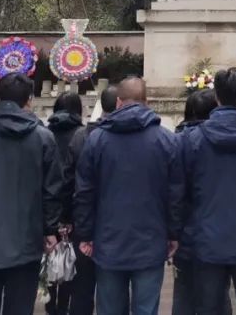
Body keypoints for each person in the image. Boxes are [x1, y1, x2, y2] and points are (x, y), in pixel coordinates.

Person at [0, 71, 63, 315]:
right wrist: (50, 229)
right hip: (26, 241)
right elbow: (52, 190)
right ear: (29, 99)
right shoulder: (43, 138)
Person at [74, 77, 182, 315]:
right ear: (147, 102)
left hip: (108, 239)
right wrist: (173, 233)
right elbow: (175, 194)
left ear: (119, 101)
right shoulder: (166, 140)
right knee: (146, 309)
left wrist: (85, 233)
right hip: (151, 240)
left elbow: (84, 191)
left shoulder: (97, 140)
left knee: (110, 308)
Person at [182, 68, 236, 315]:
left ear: (217, 97)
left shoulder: (192, 140)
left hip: (206, 235)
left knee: (208, 307)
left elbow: (182, 190)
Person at [173, 89, 227, 315]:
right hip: (219, 230)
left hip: (187, 231)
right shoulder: (223, 141)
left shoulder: (177, 142)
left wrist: (172, 232)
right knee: (219, 293)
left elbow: (174, 192)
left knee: (184, 289)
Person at [66, 84, 118, 315]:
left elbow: (69, 183)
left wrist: (66, 219)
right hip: (114, 223)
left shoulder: (82, 136)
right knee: (114, 289)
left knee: (83, 285)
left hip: (83, 220)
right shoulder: (121, 136)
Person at [47, 92, 85, 315]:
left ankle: (51, 302)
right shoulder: (81, 136)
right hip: (72, 206)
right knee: (70, 258)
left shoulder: (45, 133)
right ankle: (66, 304)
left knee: (51, 254)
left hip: (49, 205)